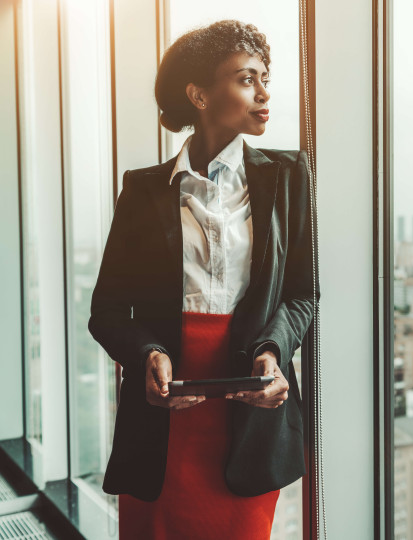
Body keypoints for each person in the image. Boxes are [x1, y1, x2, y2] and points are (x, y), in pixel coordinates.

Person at [88, 19, 320, 540]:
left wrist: (274, 353)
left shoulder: (288, 177)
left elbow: (302, 293)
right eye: (245, 78)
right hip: (162, 415)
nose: (264, 93)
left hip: (250, 412)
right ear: (198, 94)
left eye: (265, 77)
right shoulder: (143, 190)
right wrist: (147, 354)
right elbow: (105, 312)